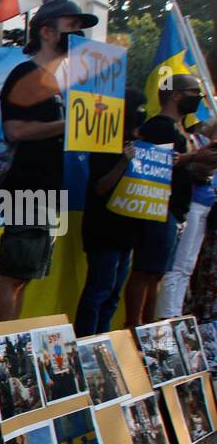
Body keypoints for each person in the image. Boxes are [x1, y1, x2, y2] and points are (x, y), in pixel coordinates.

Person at [0, 0, 98, 323]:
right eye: (72, 26)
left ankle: (8, 348)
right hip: (26, 186)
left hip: (47, 188)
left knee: (23, 275)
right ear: (47, 31)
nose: (78, 34)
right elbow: (14, 129)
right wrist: (69, 123)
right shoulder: (27, 74)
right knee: (12, 271)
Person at [124, 73, 217, 326]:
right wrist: (195, 157)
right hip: (157, 208)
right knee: (145, 271)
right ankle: (134, 326)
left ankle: (151, 328)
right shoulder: (159, 126)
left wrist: (202, 165)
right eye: (194, 94)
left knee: (158, 274)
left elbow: (182, 164)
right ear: (176, 95)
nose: (198, 99)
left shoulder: (182, 130)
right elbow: (163, 161)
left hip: (178, 208)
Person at [74, 89, 147, 335]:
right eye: (138, 110)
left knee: (114, 293)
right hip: (103, 231)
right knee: (99, 290)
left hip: (127, 232)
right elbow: (100, 186)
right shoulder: (105, 145)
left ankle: (102, 342)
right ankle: (85, 341)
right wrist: (123, 162)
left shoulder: (138, 145)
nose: (142, 115)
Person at [158, 115, 217, 317]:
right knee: (176, 266)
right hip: (189, 202)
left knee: (187, 267)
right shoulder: (194, 141)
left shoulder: (200, 142)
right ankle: (167, 317)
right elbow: (179, 163)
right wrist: (199, 158)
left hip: (205, 203)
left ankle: (175, 316)